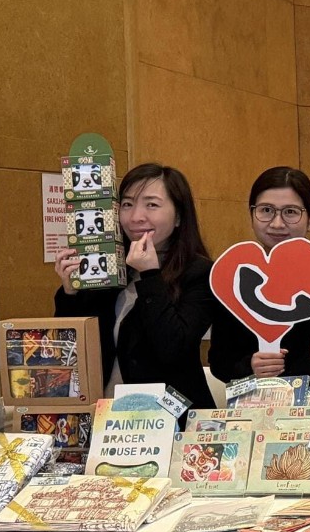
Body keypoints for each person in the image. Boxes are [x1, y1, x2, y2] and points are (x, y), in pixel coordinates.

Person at [53, 163, 216, 411]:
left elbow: (173, 348)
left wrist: (150, 275)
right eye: (127, 204)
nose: (136, 217)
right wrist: (71, 293)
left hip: (171, 420)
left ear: (178, 216)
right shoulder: (108, 268)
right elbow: (70, 351)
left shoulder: (200, 273)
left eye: (152, 205)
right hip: (105, 417)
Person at [207, 167, 310, 405]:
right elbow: (219, 360)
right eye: (266, 210)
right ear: (252, 214)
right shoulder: (232, 271)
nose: (277, 223)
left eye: (290, 212)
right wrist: (249, 365)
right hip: (254, 407)